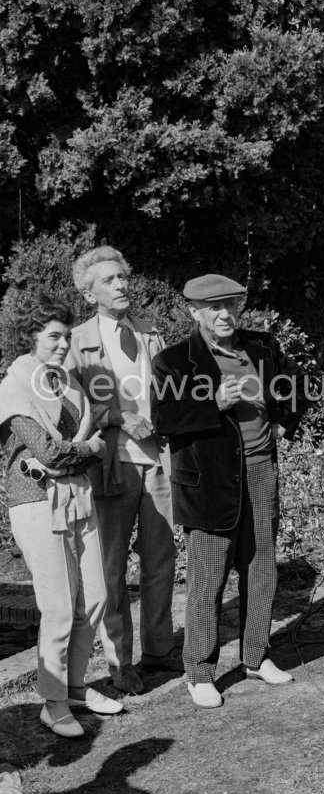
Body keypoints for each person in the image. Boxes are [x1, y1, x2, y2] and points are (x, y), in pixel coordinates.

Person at [150, 273, 307, 708]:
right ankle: (199, 671)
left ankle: (256, 656)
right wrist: (213, 403)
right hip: (209, 480)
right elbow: (164, 419)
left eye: (231, 305)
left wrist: (284, 420)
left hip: (260, 470)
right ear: (193, 311)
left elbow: (297, 384)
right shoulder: (174, 361)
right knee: (209, 576)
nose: (224, 314)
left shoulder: (262, 346)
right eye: (213, 307)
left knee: (261, 567)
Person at [0, 294, 123, 738]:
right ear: (30, 337)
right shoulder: (15, 386)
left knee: (95, 597)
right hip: (35, 501)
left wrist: (75, 454)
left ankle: (72, 687)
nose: (63, 344)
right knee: (57, 606)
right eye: (54, 336)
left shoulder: (67, 384)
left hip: (77, 496)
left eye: (67, 336)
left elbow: (60, 456)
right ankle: (52, 705)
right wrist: (89, 448)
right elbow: (48, 452)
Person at [66, 246, 182, 695]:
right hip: (111, 465)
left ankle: (159, 649)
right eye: (109, 280)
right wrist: (117, 417)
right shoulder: (77, 341)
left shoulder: (150, 332)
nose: (121, 285)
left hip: (158, 460)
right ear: (88, 293)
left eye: (123, 277)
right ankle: (120, 662)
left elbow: (169, 390)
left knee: (161, 560)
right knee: (111, 568)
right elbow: (71, 408)